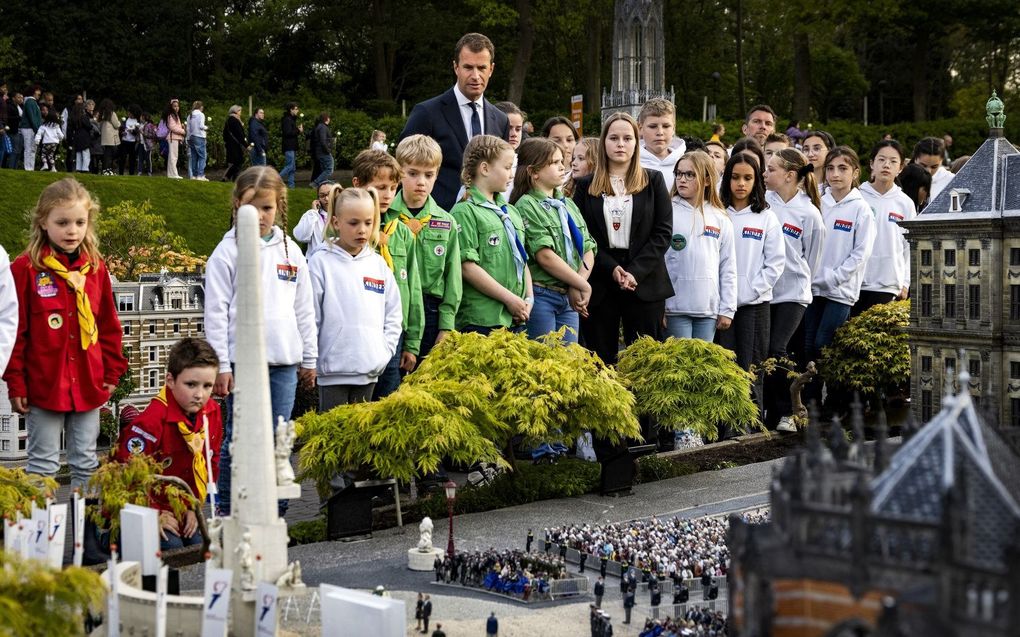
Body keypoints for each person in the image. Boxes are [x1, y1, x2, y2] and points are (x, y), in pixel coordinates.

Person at [205, 166, 317, 515]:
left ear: (279, 206)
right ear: (237, 205)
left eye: (268, 208)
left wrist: (309, 358)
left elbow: (304, 308)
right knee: (237, 440)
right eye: (252, 207)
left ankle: (276, 511)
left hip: (284, 363)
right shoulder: (226, 254)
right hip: (242, 364)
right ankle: (227, 509)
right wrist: (221, 365)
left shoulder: (291, 253)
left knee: (277, 440)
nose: (261, 215)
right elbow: (216, 314)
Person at [4, 178, 127, 488]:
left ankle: (88, 532)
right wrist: (16, 382)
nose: (72, 230)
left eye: (79, 222)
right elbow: (14, 331)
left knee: (86, 462)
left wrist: (112, 374)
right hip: (45, 385)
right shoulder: (24, 269)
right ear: (43, 222)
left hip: (87, 381)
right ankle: (36, 535)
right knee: (43, 465)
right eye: (62, 222)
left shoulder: (96, 269)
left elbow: (109, 325)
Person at [571, 112, 673, 366]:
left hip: (644, 280)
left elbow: (662, 233)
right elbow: (582, 235)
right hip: (601, 280)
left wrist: (633, 271)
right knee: (599, 362)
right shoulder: (585, 185)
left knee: (645, 364)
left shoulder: (653, 180)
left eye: (627, 138)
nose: (620, 144)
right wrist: (612, 268)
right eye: (614, 138)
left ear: (636, 143)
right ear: (604, 142)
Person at [114, 338, 221, 550]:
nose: (200, 394)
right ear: (170, 381)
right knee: (174, 549)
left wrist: (194, 507)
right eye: (191, 384)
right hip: (147, 506)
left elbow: (211, 461)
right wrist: (153, 513)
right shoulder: (150, 423)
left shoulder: (211, 413)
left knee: (201, 547)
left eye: (207, 385)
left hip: (183, 505)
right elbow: (127, 476)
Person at [310, 186, 402, 409]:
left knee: (359, 438)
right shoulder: (320, 263)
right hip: (332, 371)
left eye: (368, 223)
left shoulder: (378, 265)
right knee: (332, 437)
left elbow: (393, 315)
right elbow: (310, 316)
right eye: (354, 223)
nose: (362, 230)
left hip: (369, 371)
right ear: (335, 223)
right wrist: (310, 359)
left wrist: (382, 353)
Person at [400, 33, 511, 210]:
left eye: (481, 68)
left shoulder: (501, 120)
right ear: (456, 67)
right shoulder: (427, 113)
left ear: (491, 69)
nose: (475, 76)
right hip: (436, 222)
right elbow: (403, 169)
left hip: (487, 224)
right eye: (468, 67)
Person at [803, 147, 875, 405]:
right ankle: (810, 402)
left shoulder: (861, 210)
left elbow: (860, 255)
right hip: (812, 288)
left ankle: (833, 402)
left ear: (855, 172)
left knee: (825, 343)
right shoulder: (817, 203)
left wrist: (832, 278)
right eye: (831, 168)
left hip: (840, 291)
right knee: (809, 344)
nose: (835, 174)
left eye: (843, 169)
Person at [351, 150, 424, 397]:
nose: (388, 195)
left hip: (394, 335)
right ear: (358, 185)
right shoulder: (347, 236)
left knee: (388, 401)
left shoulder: (401, 233)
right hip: (357, 333)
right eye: (380, 187)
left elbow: (413, 288)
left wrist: (412, 342)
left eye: (393, 188)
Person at [718, 153, 784, 421]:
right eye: (735, 177)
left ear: (757, 181)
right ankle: (723, 424)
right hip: (720, 307)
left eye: (747, 178)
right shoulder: (717, 213)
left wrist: (749, 292)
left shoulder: (766, 217)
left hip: (753, 306)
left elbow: (775, 263)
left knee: (750, 366)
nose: (741, 184)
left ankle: (749, 424)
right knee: (724, 366)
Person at [511, 137, 596, 343]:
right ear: (534, 172)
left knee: (568, 364)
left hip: (569, 296)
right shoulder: (527, 205)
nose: (562, 167)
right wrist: (582, 286)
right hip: (542, 295)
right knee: (544, 362)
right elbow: (545, 256)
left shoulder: (566, 203)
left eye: (562, 161)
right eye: (554, 163)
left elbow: (588, 247)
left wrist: (578, 284)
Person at [762, 148, 823, 432]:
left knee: (777, 349)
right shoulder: (763, 203)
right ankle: (773, 413)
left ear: (789, 175)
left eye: (771, 169)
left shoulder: (809, 214)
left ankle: (787, 412)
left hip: (793, 294)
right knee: (767, 352)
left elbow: (812, 259)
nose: (764, 173)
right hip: (763, 291)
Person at [388, 134, 462, 360]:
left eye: (429, 175)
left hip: (431, 311)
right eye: (412, 173)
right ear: (399, 171)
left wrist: (446, 325)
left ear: (437, 174)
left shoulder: (446, 221)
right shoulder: (385, 217)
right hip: (394, 307)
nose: (421, 182)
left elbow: (453, 276)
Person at [452, 135, 533, 334]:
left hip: (515, 316)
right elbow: (467, 267)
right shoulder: (464, 212)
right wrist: (509, 299)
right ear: (485, 169)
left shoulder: (510, 212)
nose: (512, 175)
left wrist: (528, 299)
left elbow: (522, 258)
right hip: (483, 318)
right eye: (507, 168)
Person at [664, 150, 736, 342]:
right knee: (679, 366)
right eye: (679, 173)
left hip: (708, 309)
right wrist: (659, 306)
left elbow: (728, 266)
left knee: (701, 368)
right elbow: (658, 261)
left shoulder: (720, 217)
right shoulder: (666, 211)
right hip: (674, 307)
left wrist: (727, 308)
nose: (682, 179)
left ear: (706, 180)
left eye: (690, 174)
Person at [853, 140, 914, 316]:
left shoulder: (905, 203)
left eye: (893, 161)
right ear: (872, 163)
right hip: (856, 283)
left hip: (889, 285)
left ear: (900, 167)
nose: (886, 165)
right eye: (881, 160)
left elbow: (910, 246)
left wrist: (905, 282)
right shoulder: (857, 197)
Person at [638, 98, 686, 187]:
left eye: (666, 126)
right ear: (640, 129)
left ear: (673, 129)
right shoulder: (630, 164)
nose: (660, 132)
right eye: (653, 126)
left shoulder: (687, 163)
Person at [294, 181, 335, 254]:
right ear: (318, 199)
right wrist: (313, 213)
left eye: (330, 194)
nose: (326, 198)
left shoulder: (345, 215)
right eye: (322, 195)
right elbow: (301, 237)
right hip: (316, 262)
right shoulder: (312, 215)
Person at [912, 136, 954, 201]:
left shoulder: (951, 180)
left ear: (942, 161)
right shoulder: (905, 177)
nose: (928, 171)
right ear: (915, 159)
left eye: (934, 166)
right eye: (923, 165)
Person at [543, 115, 580, 186]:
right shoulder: (536, 176)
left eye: (569, 140)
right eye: (557, 141)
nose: (565, 145)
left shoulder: (585, 175)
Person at [802, 130, 834, 194]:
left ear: (829, 151)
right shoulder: (795, 185)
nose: (810, 154)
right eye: (806, 149)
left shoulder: (837, 185)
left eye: (816, 149)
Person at [279, 102, 302, 188]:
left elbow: (291, 132)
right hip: (289, 146)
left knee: (292, 168)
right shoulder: (287, 120)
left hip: (292, 146)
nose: (297, 111)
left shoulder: (291, 119)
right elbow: (288, 133)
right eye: (296, 109)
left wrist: (297, 130)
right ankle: (275, 179)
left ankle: (292, 187)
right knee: (289, 166)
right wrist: (298, 131)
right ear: (291, 110)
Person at [34, 106, 64, 171]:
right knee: (51, 155)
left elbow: (39, 133)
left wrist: (37, 141)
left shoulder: (44, 126)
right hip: (54, 143)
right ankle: (53, 168)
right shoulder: (56, 126)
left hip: (46, 142)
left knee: (43, 154)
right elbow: (61, 135)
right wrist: (60, 139)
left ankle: (45, 164)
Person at [19, 84, 42, 170]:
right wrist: (37, 130)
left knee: (32, 149)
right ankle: (28, 168)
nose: (39, 92)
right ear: (33, 92)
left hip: (32, 129)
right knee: (28, 148)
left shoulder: (33, 102)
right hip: (28, 128)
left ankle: (30, 168)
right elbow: (32, 117)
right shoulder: (30, 102)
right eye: (37, 90)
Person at [222, 105, 247, 182]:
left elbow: (224, 134)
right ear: (236, 111)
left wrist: (227, 142)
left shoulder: (229, 120)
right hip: (235, 145)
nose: (241, 113)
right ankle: (227, 177)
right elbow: (240, 134)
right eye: (239, 111)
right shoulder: (235, 120)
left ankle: (234, 179)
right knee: (238, 162)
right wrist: (246, 145)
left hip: (231, 145)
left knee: (236, 163)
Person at [186, 101, 209, 181]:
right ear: (201, 107)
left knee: (194, 157)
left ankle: (194, 175)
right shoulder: (201, 114)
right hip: (199, 136)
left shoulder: (190, 115)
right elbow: (201, 126)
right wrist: (207, 127)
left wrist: (188, 138)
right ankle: (200, 175)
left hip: (191, 137)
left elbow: (188, 128)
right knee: (202, 156)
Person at [311, 112, 335, 187]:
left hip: (320, 152)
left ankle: (323, 184)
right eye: (329, 118)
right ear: (326, 119)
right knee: (329, 169)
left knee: (324, 169)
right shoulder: (323, 127)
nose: (329, 119)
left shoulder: (320, 126)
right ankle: (315, 183)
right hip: (323, 152)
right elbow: (323, 140)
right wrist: (328, 151)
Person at [164, 99, 186, 179]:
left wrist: (182, 126)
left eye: (177, 106)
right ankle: (174, 174)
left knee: (172, 156)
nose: (176, 108)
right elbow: (173, 127)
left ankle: (171, 174)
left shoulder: (175, 116)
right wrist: (183, 131)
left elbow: (175, 127)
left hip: (174, 137)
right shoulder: (171, 116)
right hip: (173, 137)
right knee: (174, 156)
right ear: (171, 107)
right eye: (174, 106)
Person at [67, 104, 92, 173]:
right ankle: (85, 168)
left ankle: (79, 168)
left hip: (76, 137)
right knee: (86, 154)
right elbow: (89, 126)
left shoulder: (73, 118)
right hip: (84, 137)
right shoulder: (84, 117)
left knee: (78, 154)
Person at [118, 105, 141, 175]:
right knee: (122, 158)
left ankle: (131, 174)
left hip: (133, 143)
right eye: (128, 112)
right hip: (124, 141)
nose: (128, 113)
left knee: (132, 159)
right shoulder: (125, 119)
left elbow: (137, 132)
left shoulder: (138, 121)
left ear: (134, 113)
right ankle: (121, 173)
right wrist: (122, 132)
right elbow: (121, 129)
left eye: (130, 112)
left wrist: (132, 132)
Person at [137, 112, 156, 176]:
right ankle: (139, 171)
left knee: (148, 158)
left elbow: (152, 135)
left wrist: (142, 133)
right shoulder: (140, 125)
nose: (140, 118)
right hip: (141, 144)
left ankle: (149, 171)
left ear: (144, 118)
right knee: (140, 158)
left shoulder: (149, 125)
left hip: (147, 145)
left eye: (141, 117)